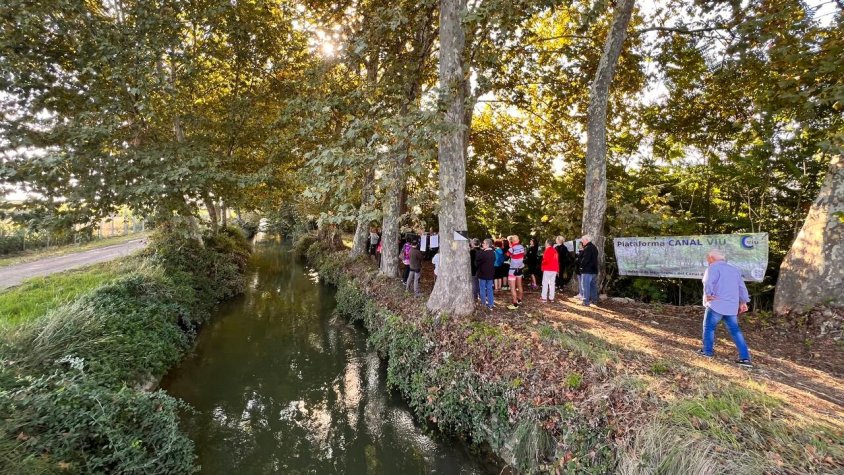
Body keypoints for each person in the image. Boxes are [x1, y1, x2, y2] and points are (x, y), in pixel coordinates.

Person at [698, 249, 753, 367]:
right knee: (735, 331)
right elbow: (742, 288)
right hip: (731, 307)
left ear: (712, 258)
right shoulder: (734, 270)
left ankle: (707, 352)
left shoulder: (712, 268)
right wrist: (744, 301)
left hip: (716, 305)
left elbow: (708, 282)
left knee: (709, 328)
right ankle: (745, 358)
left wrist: (708, 294)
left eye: (708, 257)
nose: (707, 260)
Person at [577, 234, 599, 306]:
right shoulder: (594, 247)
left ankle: (586, 302)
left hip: (587, 270)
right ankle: (594, 300)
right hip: (594, 270)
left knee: (585, 286)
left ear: (586, 240)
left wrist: (581, 267)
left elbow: (585, 259)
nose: (582, 241)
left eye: (583, 240)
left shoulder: (587, 248)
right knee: (593, 286)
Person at [475, 238, 496, 310]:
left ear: (487, 244)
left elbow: (477, 262)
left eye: (483, 243)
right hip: (490, 273)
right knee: (489, 289)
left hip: (482, 274)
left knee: (482, 289)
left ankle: (483, 303)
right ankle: (491, 303)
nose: (482, 244)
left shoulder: (483, 253)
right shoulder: (493, 253)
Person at [506, 235, 526, 310]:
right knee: (520, 285)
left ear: (512, 241)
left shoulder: (512, 249)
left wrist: (510, 247)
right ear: (518, 240)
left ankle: (515, 304)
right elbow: (521, 255)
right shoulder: (522, 247)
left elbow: (507, 255)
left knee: (512, 288)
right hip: (520, 268)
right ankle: (519, 300)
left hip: (512, 270)